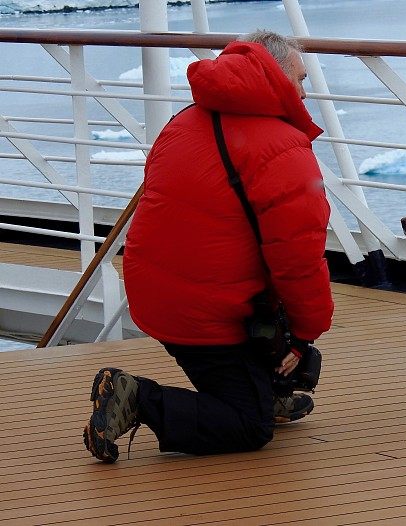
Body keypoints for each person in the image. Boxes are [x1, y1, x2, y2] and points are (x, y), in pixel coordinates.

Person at [83, 30, 334, 463]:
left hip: (156, 292)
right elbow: (298, 259)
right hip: (203, 311)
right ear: (273, 75)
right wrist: (307, 332)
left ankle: (262, 392)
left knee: (269, 317)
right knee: (249, 425)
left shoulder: (184, 120)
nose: (304, 90)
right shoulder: (281, 146)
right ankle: (136, 397)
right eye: (300, 78)